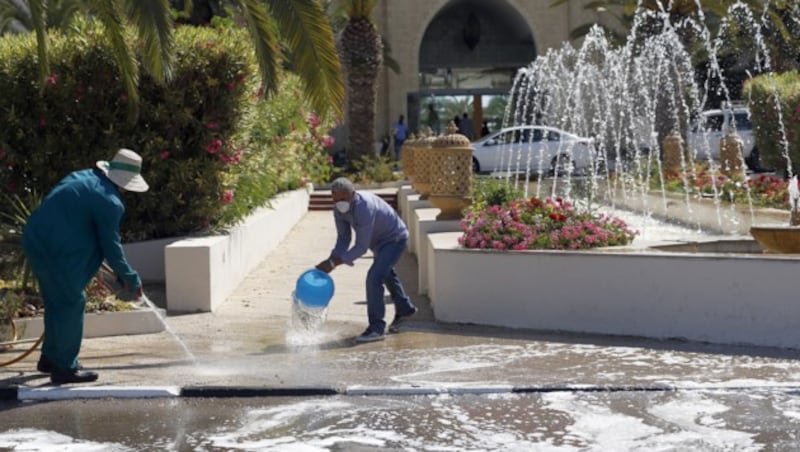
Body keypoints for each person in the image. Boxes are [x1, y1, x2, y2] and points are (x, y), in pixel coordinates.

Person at [22, 148, 149, 384]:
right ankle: (65, 368)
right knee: (72, 302)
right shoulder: (110, 201)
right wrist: (130, 277)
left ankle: (50, 358)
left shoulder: (82, 177)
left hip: (34, 238)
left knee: (56, 301)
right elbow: (111, 246)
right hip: (56, 249)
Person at [316, 177, 417, 342]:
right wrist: (332, 258)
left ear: (353, 194)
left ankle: (376, 328)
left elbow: (361, 247)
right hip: (377, 243)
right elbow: (343, 238)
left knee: (374, 277)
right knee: (385, 273)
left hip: (394, 239)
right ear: (332, 197)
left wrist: (334, 263)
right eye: (337, 199)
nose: (340, 202)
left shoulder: (364, 207)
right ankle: (405, 309)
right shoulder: (338, 210)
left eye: (344, 198)